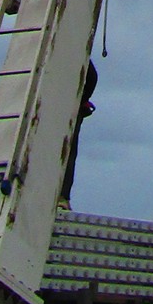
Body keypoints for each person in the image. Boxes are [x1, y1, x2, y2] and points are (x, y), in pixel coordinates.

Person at [58, 61, 98, 210]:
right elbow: (91, 77)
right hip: (70, 106)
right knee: (68, 151)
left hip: (70, 105)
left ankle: (63, 196)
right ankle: (62, 196)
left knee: (67, 151)